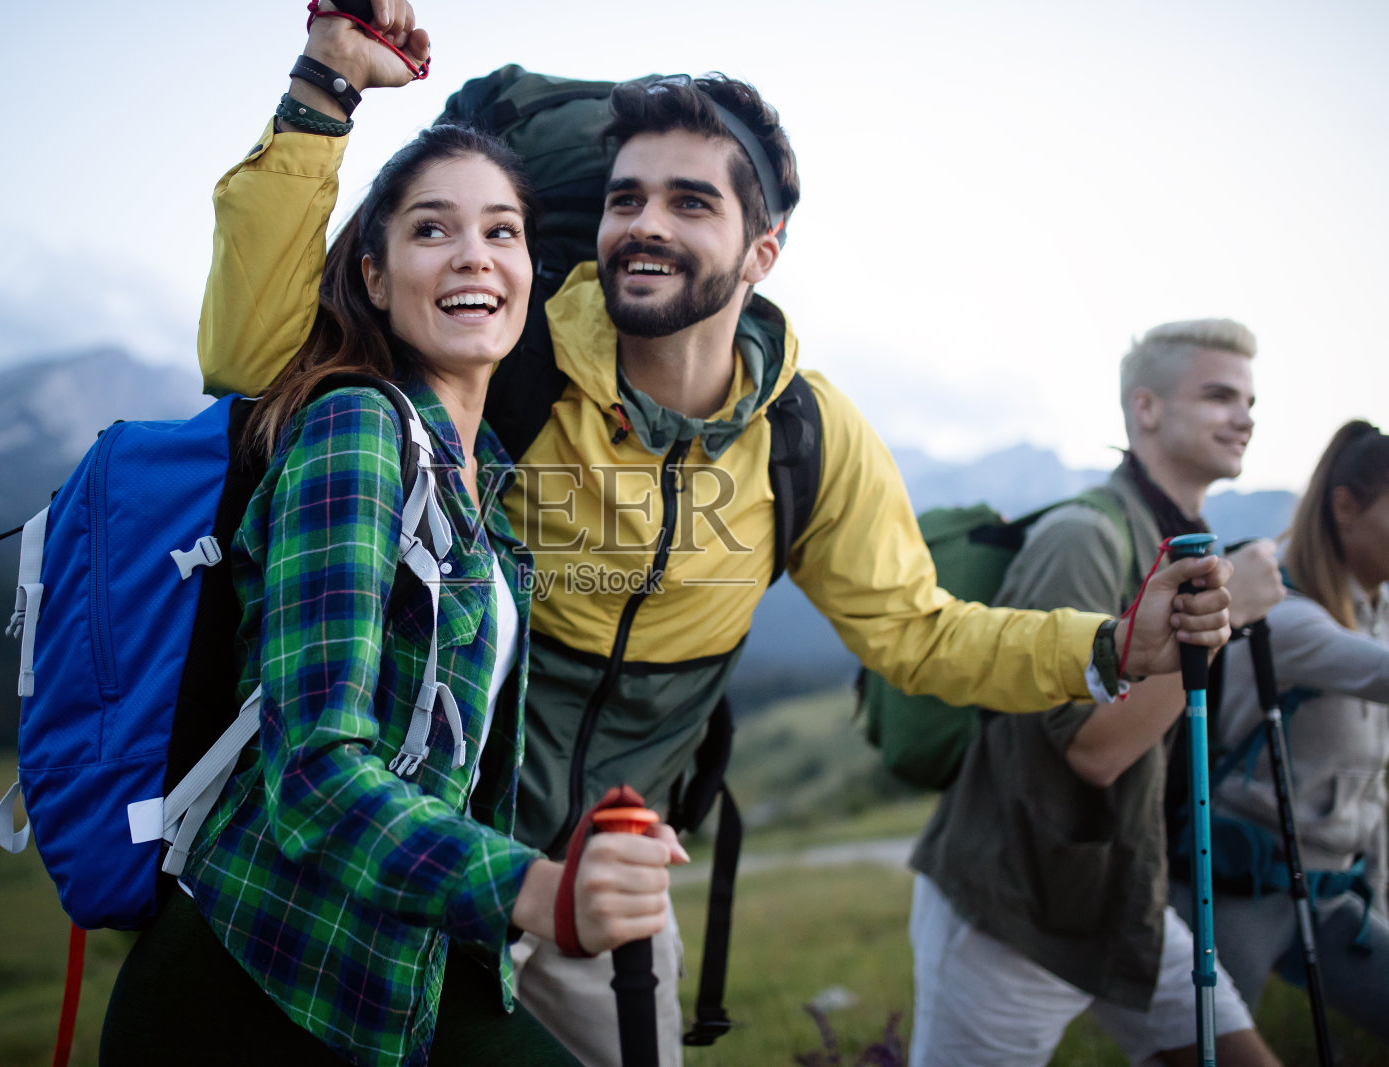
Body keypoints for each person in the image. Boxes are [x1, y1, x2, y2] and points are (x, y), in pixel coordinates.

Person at [194, 6, 1238, 1061]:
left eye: (689, 202)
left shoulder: (807, 437)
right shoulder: (510, 343)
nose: (644, 225)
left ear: (760, 250)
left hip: (614, 880)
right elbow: (263, 360)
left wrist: (1108, 646)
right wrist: (325, 83)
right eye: (624, 199)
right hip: (430, 845)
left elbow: (918, 633)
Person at [99, 36, 688, 1067]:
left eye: (501, 230)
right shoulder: (354, 429)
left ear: (530, 275)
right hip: (255, 982)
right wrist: (535, 888)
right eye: (432, 230)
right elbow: (316, 775)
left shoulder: (488, 483)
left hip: (403, 964)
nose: (474, 254)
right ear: (373, 274)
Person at [909, 318, 1287, 1066]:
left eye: (1249, 399)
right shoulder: (1085, 536)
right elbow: (1093, 748)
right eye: (1218, 395)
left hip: (1122, 899)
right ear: (1145, 408)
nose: (1244, 416)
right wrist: (1228, 615)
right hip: (1012, 918)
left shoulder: (1178, 535)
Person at [1167, 419, 1389, 1037]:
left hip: (1330, 894)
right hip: (1237, 890)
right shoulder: (1281, 618)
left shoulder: (1377, 610)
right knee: (1204, 1052)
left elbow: (1369, 787)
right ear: (1346, 507)